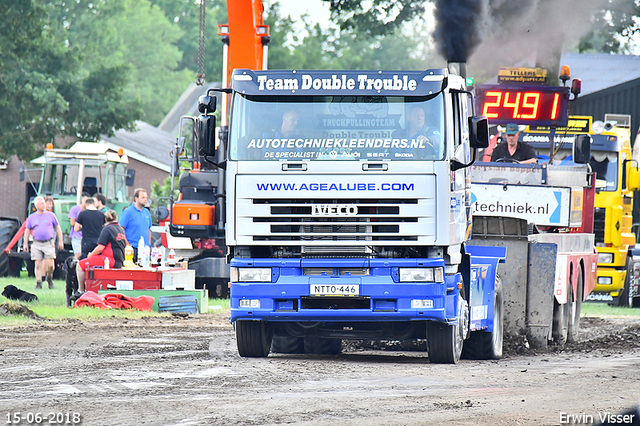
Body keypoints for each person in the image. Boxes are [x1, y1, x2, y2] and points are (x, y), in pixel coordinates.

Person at [75, 210, 127, 294]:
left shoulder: (107, 229)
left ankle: (80, 291)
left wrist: (90, 255)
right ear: (116, 218)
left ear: (106, 220)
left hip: (108, 260)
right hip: (119, 261)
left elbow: (100, 248)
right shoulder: (120, 229)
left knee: (80, 265)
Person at [24, 196, 64, 290]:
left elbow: (58, 228)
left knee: (50, 264)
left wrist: (61, 241)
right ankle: (38, 283)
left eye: (44, 203)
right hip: (36, 243)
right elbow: (27, 230)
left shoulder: (51, 215)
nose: (44, 205)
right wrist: (25, 244)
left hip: (48, 242)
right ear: (36, 206)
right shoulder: (32, 217)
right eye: (41, 203)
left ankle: (49, 279)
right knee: (37, 263)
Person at [119, 188, 152, 262]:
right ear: (136, 198)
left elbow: (148, 229)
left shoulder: (147, 212)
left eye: (146, 197)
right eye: (143, 197)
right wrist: (127, 244)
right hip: (133, 248)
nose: (145, 199)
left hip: (145, 249)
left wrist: (149, 244)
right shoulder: (128, 212)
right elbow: (121, 229)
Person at [68, 194, 88, 259]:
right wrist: (83, 227)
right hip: (77, 236)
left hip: (87, 237)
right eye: (85, 201)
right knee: (78, 256)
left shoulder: (90, 212)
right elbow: (72, 223)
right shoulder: (75, 209)